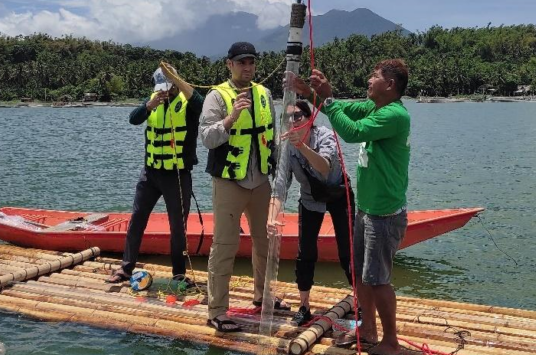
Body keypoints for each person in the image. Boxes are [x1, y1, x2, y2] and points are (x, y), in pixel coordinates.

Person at [290, 59, 410, 355]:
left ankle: (391, 342)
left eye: (375, 76)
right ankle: (368, 331)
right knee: (359, 273)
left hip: (384, 213)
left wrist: (328, 99)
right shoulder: (375, 107)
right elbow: (339, 109)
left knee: (378, 279)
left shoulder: (394, 115)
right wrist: (310, 94)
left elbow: (351, 132)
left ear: (390, 85)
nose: (369, 79)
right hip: (366, 209)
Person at [199, 41, 288, 332]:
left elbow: (272, 137)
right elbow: (208, 139)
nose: (247, 67)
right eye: (241, 63)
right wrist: (231, 117)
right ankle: (217, 311)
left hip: (260, 179)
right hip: (229, 181)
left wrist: (280, 174)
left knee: (264, 242)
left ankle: (264, 296)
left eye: (251, 62)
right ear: (229, 64)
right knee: (225, 245)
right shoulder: (216, 96)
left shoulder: (264, 94)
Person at [106, 64, 204, 285]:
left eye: (169, 86)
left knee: (178, 227)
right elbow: (134, 119)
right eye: (162, 87)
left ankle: (178, 274)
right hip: (150, 174)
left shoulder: (188, 104)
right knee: (136, 220)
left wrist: (178, 80)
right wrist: (147, 106)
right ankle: (126, 268)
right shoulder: (153, 100)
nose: (164, 91)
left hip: (177, 176)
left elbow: (201, 104)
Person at [282, 100, 355, 326]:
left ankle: (361, 300)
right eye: (288, 118)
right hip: (310, 198)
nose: (292, 122)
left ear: (310, 118)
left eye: (297, 117)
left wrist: (302, 146)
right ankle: (304, 306)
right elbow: (281, 182)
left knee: (348, 250)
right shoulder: (286, 146)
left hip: (338, 195)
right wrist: (273, 212)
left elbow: (324, 166)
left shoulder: (325, 135)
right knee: (305, 253)